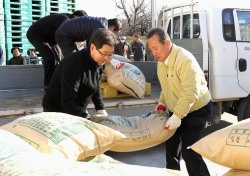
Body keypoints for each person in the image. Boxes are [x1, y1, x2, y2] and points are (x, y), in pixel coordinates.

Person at [147, 27, 211, 176]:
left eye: (155, 48)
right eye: (151, 50)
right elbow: (167, 86)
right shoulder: (161, 61)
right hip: (177, 108)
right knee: (170, 149)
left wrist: (177, 116)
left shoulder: (185, 59)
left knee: (190, 151)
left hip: (197, 110)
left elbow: (191, 91)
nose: (154, 53)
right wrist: (162, 103)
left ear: (167, 43)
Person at [42, 29, 116, 118]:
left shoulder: (100, 62)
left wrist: (100, 108)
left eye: (110, 54)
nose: (107, 58)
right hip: (57, 111)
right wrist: (85, 119)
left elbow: (96, 84)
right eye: (104, 53)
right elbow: (67, 101)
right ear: (92, 47)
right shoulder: (73, 65)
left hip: (77, 108)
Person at [26, 10, 87, 90]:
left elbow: (59, 41)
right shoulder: (64, 19)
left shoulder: (69, 23)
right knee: (49, 56)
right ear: (76, 16)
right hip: (36, 34)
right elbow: (65, 38)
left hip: (48, 38)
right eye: (80, 21)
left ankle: (55, 82)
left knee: (57, 59)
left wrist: (59, 56)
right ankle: (48, 85)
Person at [55, 16, 124, 69]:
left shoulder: (100, 23)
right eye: (114, 32)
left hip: (67, 33)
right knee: (73, 60)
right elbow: (98, 46)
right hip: (63, 34)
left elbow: (91, 46)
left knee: (81, 58)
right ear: (112, 27)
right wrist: (111, 60)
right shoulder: (100, 27)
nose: (111, 35)